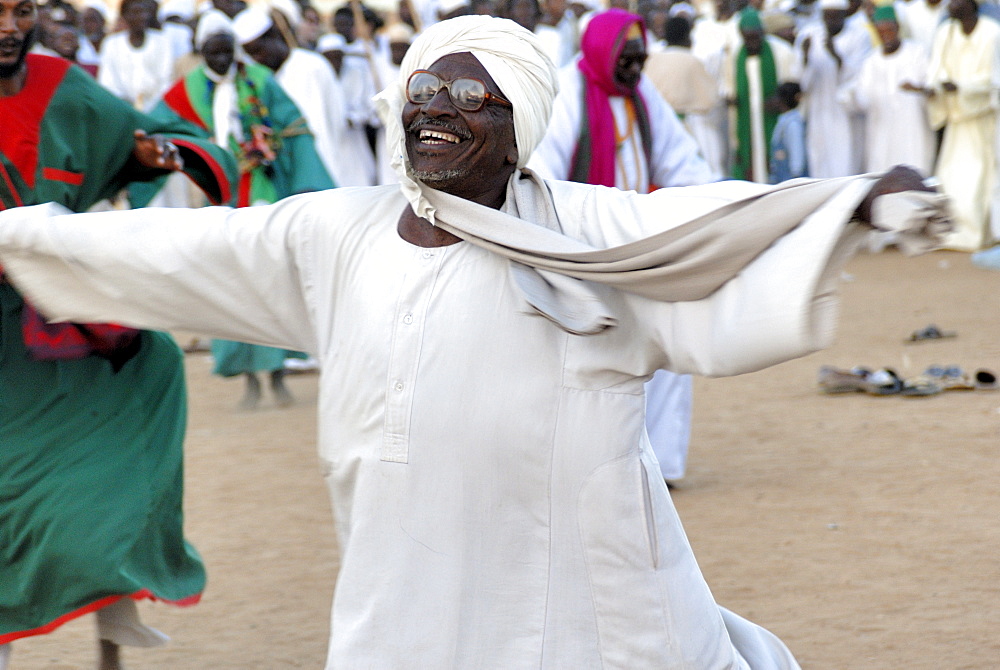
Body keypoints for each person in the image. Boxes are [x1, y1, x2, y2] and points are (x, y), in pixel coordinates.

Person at [0, 15, 948, 669]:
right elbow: (175, 245)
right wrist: (20, 235)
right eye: (424, 87)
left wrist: (850, 201)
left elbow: (711, 225)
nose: (437, 107)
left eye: (470, 94)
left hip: (571, 586)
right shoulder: (338, 235)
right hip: (396, 587)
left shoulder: (588, 234)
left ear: (520, 127)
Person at [0, 0, 236, 666]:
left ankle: (112, 638)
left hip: (55, 323)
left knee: (151, 366)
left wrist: (161, 155)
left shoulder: (58, 87)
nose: (8, 28)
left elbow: (162, 138)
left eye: (20, 10)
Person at [152, 11, 333, 409]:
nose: (220, 61)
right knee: (231, 286)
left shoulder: (260, 82)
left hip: (264, 191)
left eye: (226, 52)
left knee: (274, 281)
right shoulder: (187, 90)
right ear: (199, 53)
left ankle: (279, 374)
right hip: (218, 200)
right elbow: (152, 131)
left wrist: (305, 182)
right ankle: (250, 379)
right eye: (211, 54)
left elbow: (295, 129)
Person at [926, 0, 1000, 251]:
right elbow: (935, 71)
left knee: (980, 178)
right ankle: (953, 234)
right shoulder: (944, 32)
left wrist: (962, 87)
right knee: (950, 177)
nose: (951, 4)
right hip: (957, 122)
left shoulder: (992, 32)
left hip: (982, 121)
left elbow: (993, 80)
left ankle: (978, 235)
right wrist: (933, 89)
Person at [851, 5, 935, 174]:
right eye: (880, 32)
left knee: (916, 173)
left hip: (914, 131)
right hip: (881, 134)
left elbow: (931, 86)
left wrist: (918, 89)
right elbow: (862, 98)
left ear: (897, 28)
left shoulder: (916, 51)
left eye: (889, 30)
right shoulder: (870, 61)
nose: (885, 36)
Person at [796, 0, 872, 177]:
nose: (831, 21)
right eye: (827, 16)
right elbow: (801, 81)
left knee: (846, 163)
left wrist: (836, 56)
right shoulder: (809, 34)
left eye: (835, 16)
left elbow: (860, 77)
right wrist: (806, 58)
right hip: (819, 113)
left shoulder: (859, 35)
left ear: (844, 14)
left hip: (846, 116)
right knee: (819, 162)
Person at [97, 0, 175, 112]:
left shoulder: (162, 41)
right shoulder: (111, 43)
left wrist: (153, 107)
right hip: (121, 108)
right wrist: (125, 104)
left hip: (156, 109)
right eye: (135, 12)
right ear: (124, 15)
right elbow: (108, 79)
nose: (140, 17)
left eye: (143, 12)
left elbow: (166, 78)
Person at [768, 81, 808, 183]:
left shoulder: (793, 124)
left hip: (790, 180)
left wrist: (796, 178)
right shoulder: (784, 121)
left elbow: (797, 153)